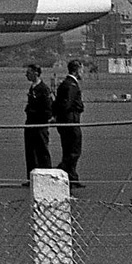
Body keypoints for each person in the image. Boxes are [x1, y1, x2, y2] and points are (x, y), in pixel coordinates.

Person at [53, 59, 85, 188]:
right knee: (73, 150)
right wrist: (78, 107)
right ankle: (63, 173)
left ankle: (72, 176)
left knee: (69, 150)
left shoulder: (65, 84)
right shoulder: (71, 85)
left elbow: (57, 103)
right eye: (81, 70)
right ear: (77, 70)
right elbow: (66, 103)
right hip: (71, 121)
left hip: (67, 121)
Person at [23, 64, 53, 179]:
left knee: (42, 151)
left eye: (29, 72)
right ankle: (31, 177)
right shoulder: (33, 88)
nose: (26, 75)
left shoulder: (43, 89)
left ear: (35, 73)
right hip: (30, 124)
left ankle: (46, 175)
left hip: (39, 125)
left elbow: (47, 107)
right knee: (30, 152)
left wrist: (42, 118)